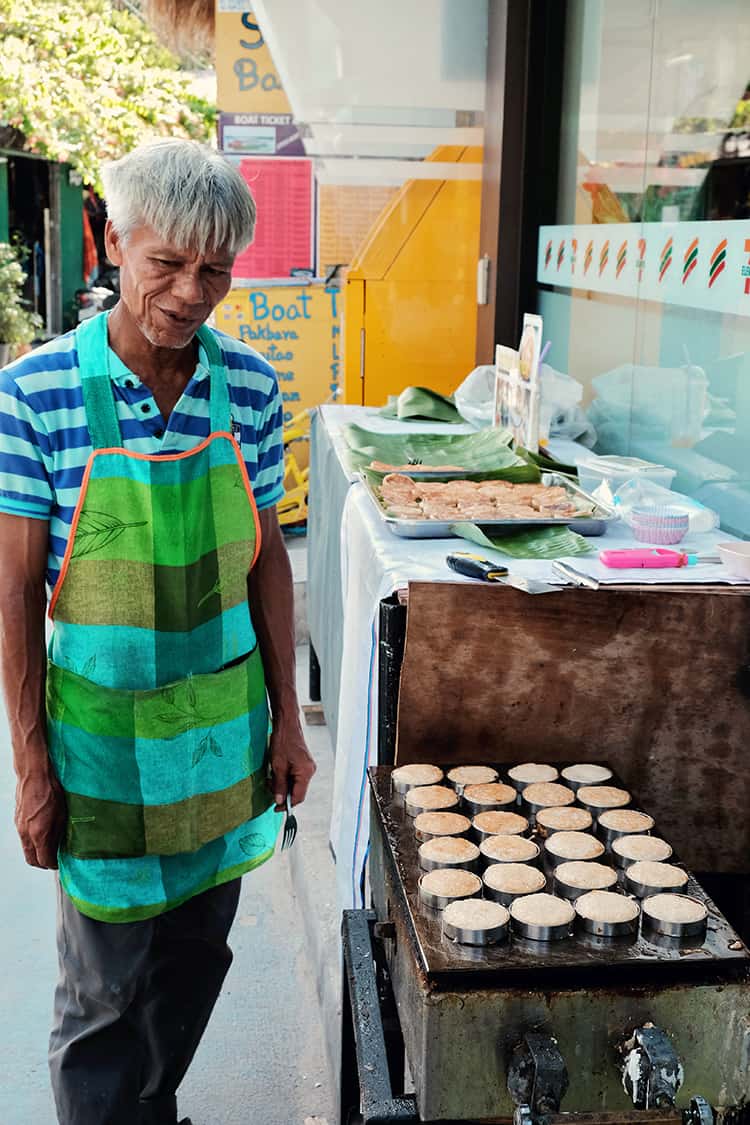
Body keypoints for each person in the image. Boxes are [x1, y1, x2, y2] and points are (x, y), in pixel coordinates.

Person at [0, 139, 316, 1125]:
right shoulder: (36, 392)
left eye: (213, 270)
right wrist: (32, 767)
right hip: (100, 749)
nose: (189, 292)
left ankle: (151, 1106)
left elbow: (266, 556)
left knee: (195, 955)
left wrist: (290, 725)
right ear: (120, 244)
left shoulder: (252, 390)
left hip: (221, 735)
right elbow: (13, 590)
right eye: (166, 263)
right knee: (105, 987)